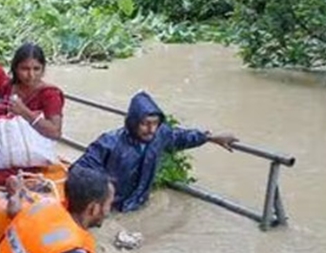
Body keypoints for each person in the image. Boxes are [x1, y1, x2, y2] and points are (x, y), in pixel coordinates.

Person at [74, 90, 238, 212]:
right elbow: (80, 169)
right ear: (132, 122)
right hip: (112, 206)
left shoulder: (161, 135)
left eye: (155, 123)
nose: (151, 129)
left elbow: (182, 137)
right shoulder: (109, 142)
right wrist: (103, 190)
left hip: (139, 202)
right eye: (145, 123)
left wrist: (211, 137)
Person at [0, 42, 64, 140]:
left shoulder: (50, 94)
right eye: (25, 69)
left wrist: (24, 112)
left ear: (43, 69)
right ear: (15, 68)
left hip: (35, 151)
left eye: (36, 69)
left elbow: (55, 133)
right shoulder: (7, 87)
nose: (31, 75)